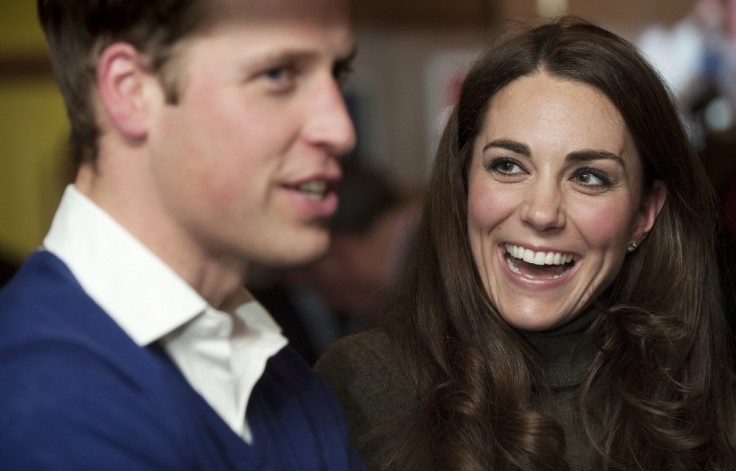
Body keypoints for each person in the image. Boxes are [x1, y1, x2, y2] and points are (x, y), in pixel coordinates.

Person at [315, 17, 736, 470]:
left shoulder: (711, 406)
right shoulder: (360, 386)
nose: (541, 212)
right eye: (509, 166)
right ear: (463, 181)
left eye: (588, 177)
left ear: (643, 214)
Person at [0, 0, 365, 469]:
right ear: (130, 90)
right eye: (278, 74)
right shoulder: (43, 397)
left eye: (338, 74)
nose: (340, 129)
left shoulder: (278, 373)